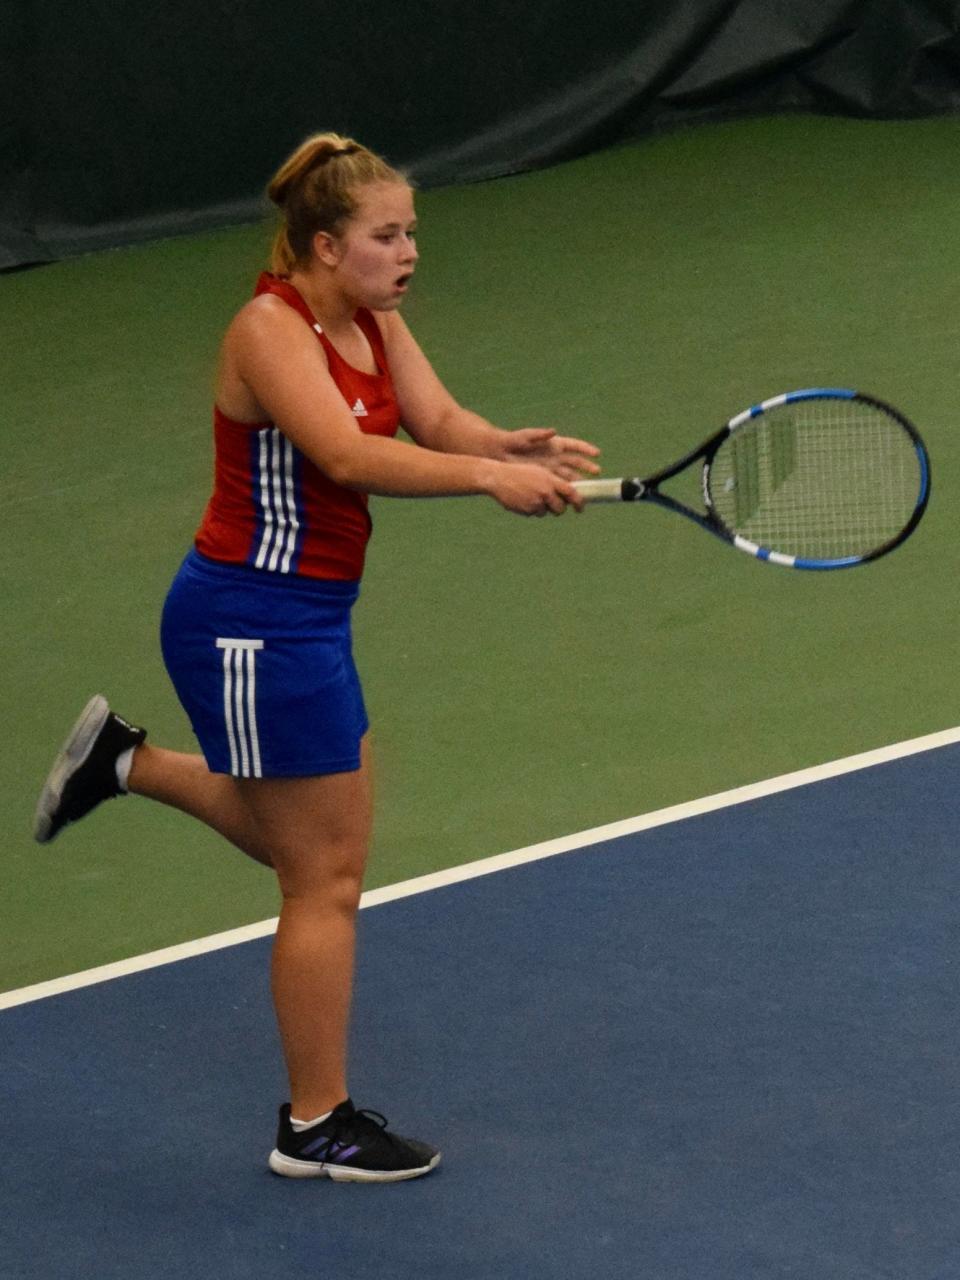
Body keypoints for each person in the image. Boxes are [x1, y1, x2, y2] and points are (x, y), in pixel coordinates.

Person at [32, 133, 600, 1183]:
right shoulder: (267, 330)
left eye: (412, 230)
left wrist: (504, 445)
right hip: (249, 620)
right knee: (322, 874)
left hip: (306, 619)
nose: (409, 250)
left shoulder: (372, 318)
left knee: (320, 854)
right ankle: (314, 1123)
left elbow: (431, 418)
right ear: (327, 245)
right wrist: (482, 482)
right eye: (389, 234)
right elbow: (345, 456)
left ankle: (125, 760)